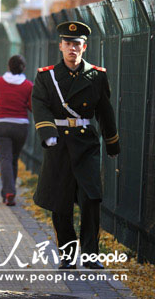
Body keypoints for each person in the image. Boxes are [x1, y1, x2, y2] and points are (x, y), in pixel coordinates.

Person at [32, 21, 120, 269]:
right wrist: (48, 133)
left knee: (91, 199)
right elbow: (39, 105)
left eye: (77, 44)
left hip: (86, 144)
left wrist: (112, 143)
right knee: (61, 204)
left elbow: (105, 111)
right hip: (58, 145)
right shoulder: (46, 76)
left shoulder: (96, 75)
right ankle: (68, 256)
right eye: (68, 44)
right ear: (60, 46)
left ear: (85, 46)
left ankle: (91, 255)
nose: (73, 49)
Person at [0, 54, 33, 206]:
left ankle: (8, 192)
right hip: (20, 126)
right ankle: (9, 191)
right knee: (13, 158)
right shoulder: (28, 85)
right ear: (23, 68)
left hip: (1, 125)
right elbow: (32, 107)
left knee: (5, 158)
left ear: (8, 66)